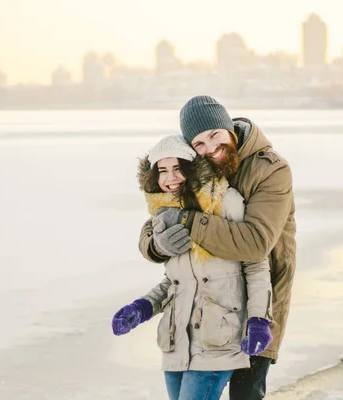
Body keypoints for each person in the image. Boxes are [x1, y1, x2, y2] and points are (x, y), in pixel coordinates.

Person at [138, 96, 296, 400]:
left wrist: (187, 220)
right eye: (199, 143)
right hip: (206, 308)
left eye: (215, 135)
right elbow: (160, 215)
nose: (210, 147)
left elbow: (255, 244)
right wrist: (156, 244)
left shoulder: (271, 170)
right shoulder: (198, 171)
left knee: (245, 394)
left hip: (260, 300)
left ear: (229, 130)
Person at [112, 135, 274, 400]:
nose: (171, 178)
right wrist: (142, 307)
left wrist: (258, 320)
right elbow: (177, 281)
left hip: (217, 340)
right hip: (176, 343)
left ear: (192, 168)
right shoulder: (164, 214)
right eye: (162, 170)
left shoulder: (226, 202)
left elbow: (255, 265)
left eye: (178, 168)